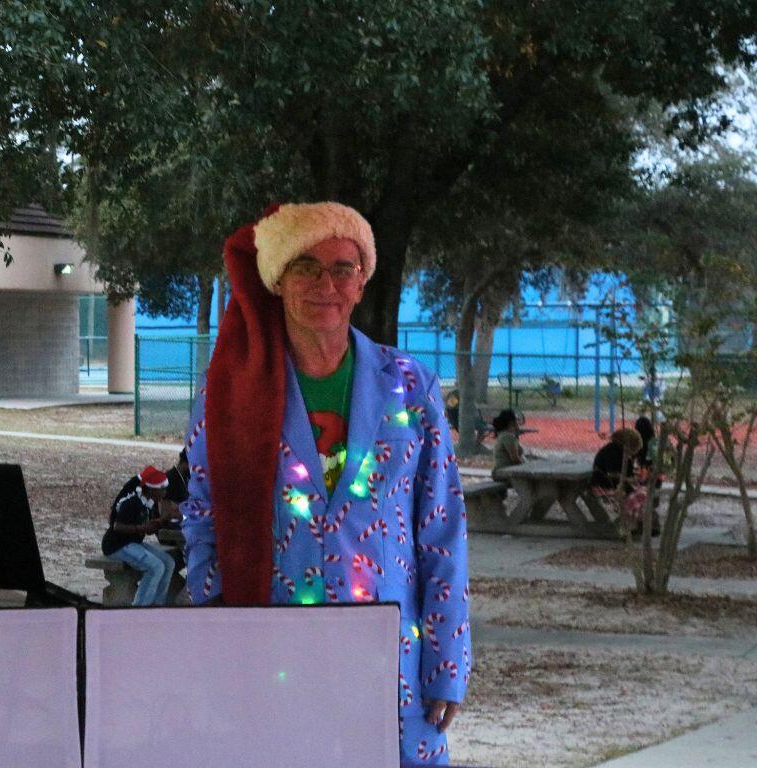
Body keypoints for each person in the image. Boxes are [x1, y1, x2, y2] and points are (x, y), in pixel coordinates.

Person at [180, 202, 469, 765]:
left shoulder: (410, 385)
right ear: (278, 281)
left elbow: (443, 529)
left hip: (392, 660)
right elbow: (203, 512)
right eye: (306, 267)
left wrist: (447, 660)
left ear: (362, 283)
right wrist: (215, 620)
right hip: (273, 650)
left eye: (343, 268)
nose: (325, 284)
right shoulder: (231, 394)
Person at [102, 465, 177, 606]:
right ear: (150, 489)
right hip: (117, 545)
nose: (164, 492)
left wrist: (165, 518)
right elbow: (117, 526)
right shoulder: (132, 502)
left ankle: (157, 604)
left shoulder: (149, 502)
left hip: (133, 543)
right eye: (162, 489)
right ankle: (140, 608)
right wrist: (141, 528)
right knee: (155, 567)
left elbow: (148, 529)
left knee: (168, 562)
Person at [590, 428, 651, 535]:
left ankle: (635, 522)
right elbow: (613, 474)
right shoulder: (612, 451)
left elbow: (627, 473)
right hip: (605, 485)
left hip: (617, 484)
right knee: (639, 495)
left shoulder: (624, 453)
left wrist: (634, 477)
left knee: (644, 492)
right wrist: (629, 479)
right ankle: (630, 523)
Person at [491, 409, 525, 480]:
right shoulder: (508, 436)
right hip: (504, 473)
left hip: (504, 472)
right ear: (511, 422)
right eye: (516, 419)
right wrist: (526, 467)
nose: (518, 421)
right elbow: (515, 459)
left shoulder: (504, 435)